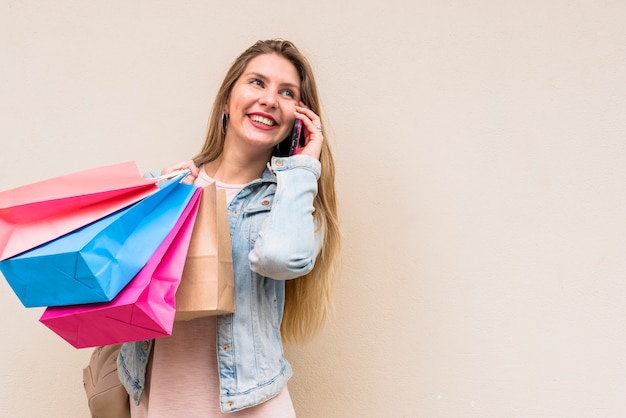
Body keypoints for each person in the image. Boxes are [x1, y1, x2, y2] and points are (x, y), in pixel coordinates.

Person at [117, 39, 340, 417]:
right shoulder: (167, 186)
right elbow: (110, 284)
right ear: (226, 101)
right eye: (257, 82)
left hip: (252, 405)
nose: (270, 99)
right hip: (158, 402)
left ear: (297, 123)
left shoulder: (296, 204)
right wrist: (157, 205)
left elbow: (278, 258)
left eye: (287, 93)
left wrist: (304, 169)